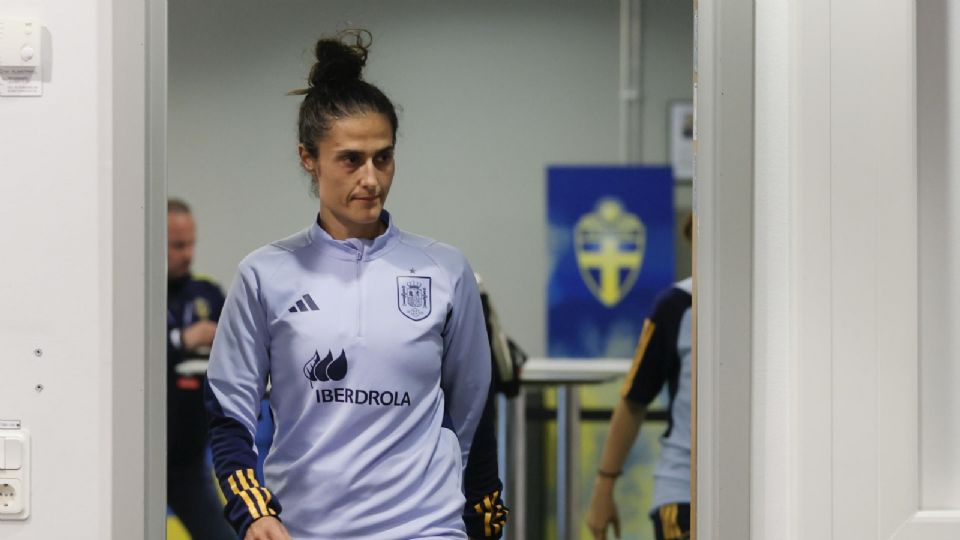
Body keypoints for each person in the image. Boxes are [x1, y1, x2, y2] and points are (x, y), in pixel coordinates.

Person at [203, 30, 507, 540]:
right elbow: (229, 413)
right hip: (304, 529)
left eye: (383, 157)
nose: (372, 178)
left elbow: (474, 410)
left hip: (427, 527)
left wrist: (484, 520)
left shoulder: (444, 270)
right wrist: (254, 512)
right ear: (309, 159)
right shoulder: (265, 273)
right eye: (351, 159)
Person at [586, 214, 694, 540]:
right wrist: (604, 487)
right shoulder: (677, 306)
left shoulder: (774, 303)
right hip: (684, 492)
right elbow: (634, 401)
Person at [167, 198, 236, 539]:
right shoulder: (131, 293)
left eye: (190, 244)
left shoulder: (206, 295)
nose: (187, 254)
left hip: (188, 458)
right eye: (177, 245)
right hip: (135, 455)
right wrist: (181, 339)